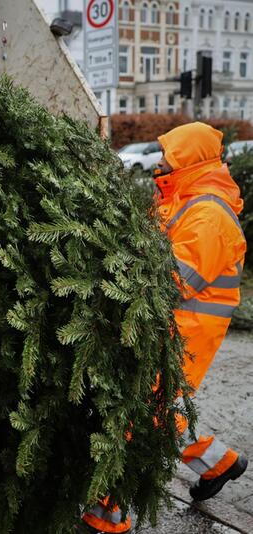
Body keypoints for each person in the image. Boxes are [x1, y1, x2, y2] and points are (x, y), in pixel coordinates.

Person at [81, 122, 248, 533]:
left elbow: (175, 278)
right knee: (155, 412)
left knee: (140, 418)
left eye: (170, 155)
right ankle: (221, 462)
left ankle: (106, 518)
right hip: (171, 326)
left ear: (191, 159)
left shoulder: (209, 214)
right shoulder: (185, 200)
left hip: (187, 332)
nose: (161, 161)